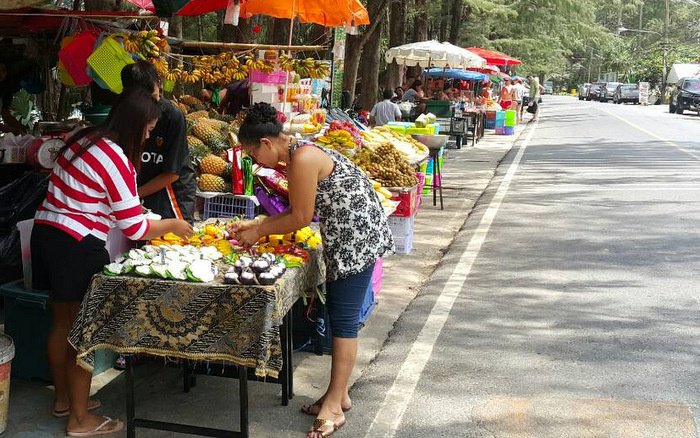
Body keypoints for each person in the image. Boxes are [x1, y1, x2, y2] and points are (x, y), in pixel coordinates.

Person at [31, 89, 193, 437]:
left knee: (62, 323)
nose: (149, 136)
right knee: (84, 333)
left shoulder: (83, 139)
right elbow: (134, 226)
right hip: (76, 244)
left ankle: (64, 401)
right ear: (135, 125)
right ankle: (79, 420)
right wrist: (173, 225)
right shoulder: (114, 157)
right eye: (148, 129)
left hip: (47, 233)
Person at [228, 103, 393, 438]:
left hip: (355, 238)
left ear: (266, 144)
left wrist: (260, 231)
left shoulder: (301, 158)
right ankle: (339, 394)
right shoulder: (299, 152)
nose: (254, 162)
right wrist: (261, 223)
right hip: (352, 233)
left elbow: (301, 217)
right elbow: (295, 210)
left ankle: (334, 405)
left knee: (343, 320)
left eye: (251, 153)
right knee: (339, 314)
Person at [121, 61, 196, 223]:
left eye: (156, 97)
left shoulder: (172, 116)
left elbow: (172, 173)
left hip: (171, 196)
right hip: (137, 192)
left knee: (171, 243)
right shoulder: (124, 115)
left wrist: (134, 194)